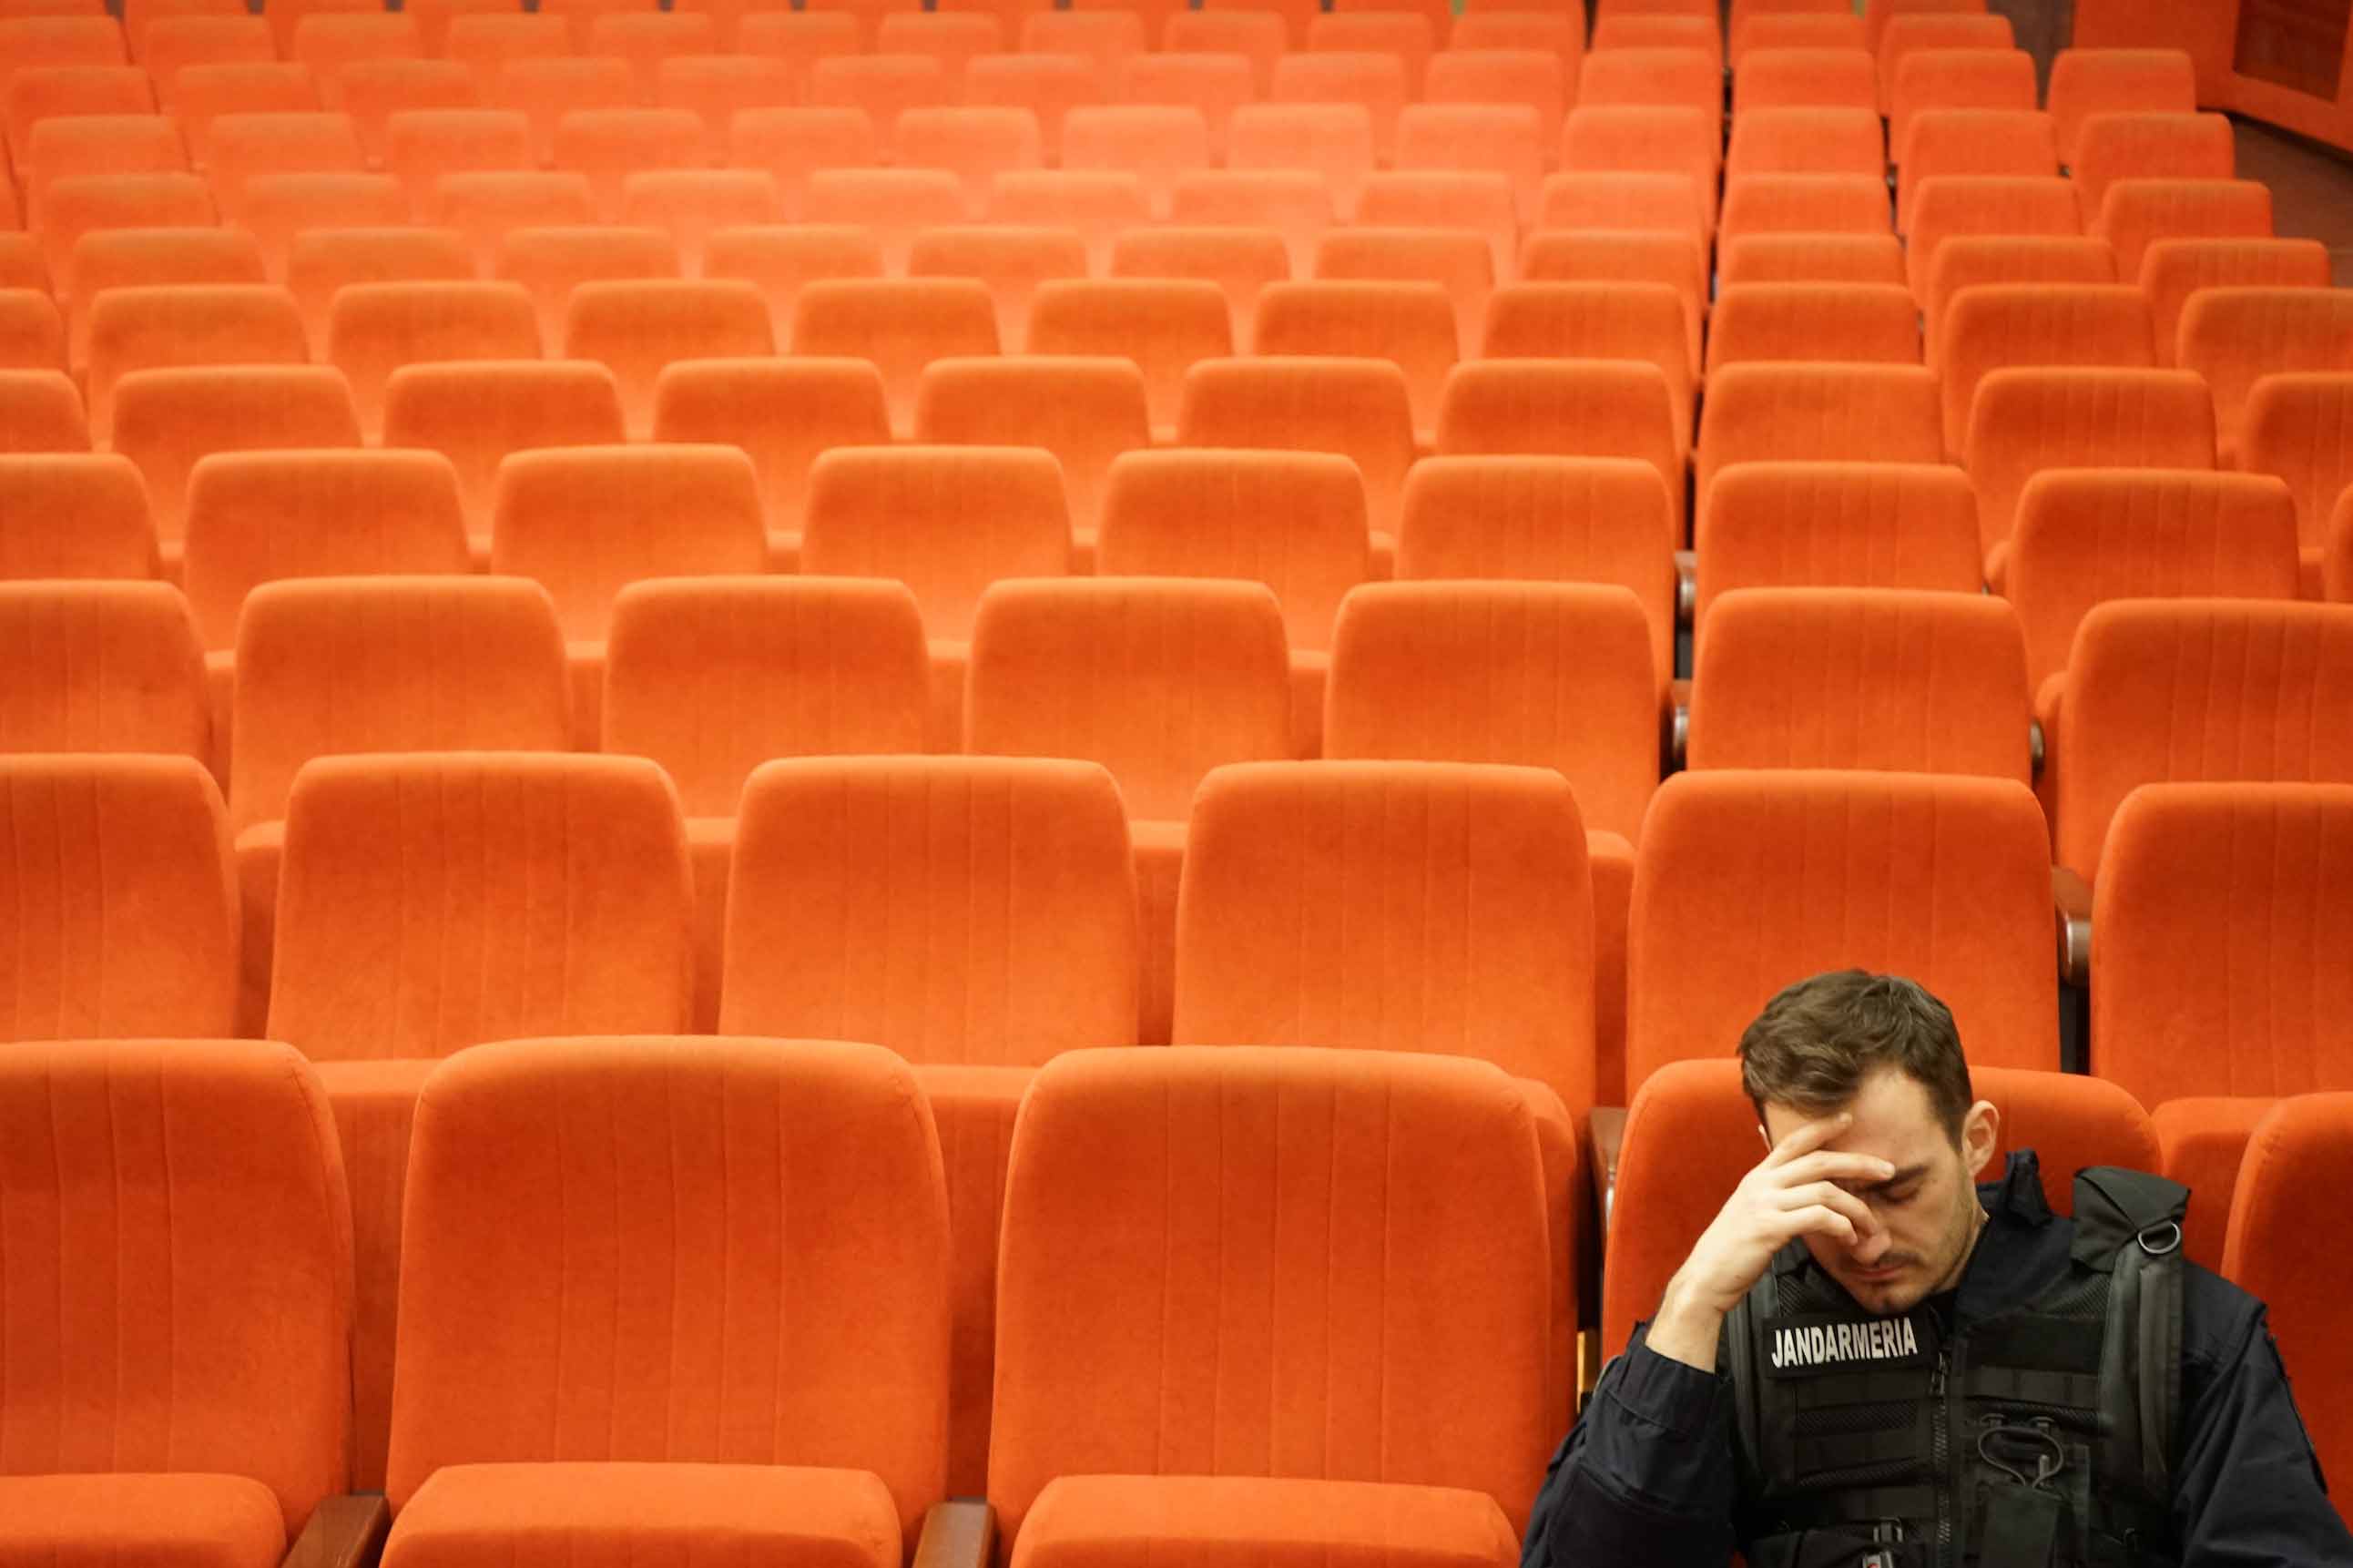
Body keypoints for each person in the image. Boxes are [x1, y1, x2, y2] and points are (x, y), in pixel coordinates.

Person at [1523, 969, 2353, 1568]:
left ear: (1975, 1138)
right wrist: (1691, 1307)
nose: (1868, 1241)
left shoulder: (2168, 1322)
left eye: (1900, 1190)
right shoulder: (1729, 1337)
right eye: (1831, 1195)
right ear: (1770, 1166)